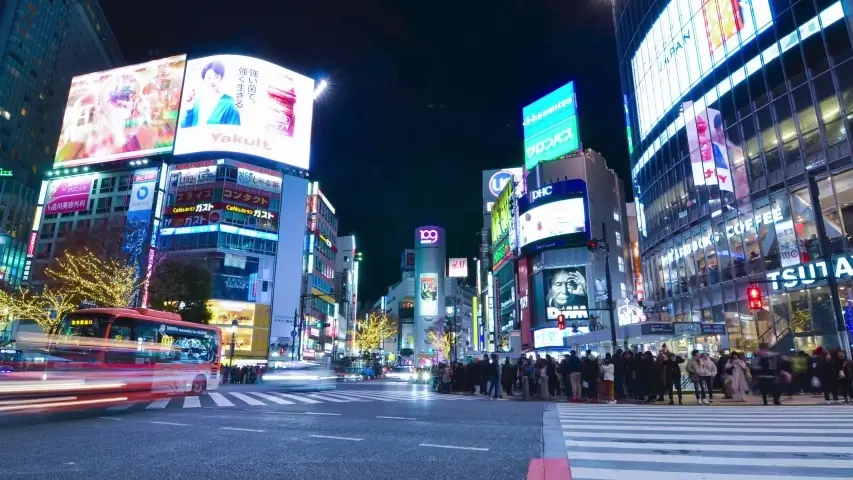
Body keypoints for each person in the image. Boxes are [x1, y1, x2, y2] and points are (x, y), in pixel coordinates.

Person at [181, 60, 241, 128]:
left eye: (216, 77)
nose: (212, 81)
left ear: (221, 78)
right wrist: (189, 106)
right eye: (209, 78)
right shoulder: (197, 101)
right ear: (203, 79)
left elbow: (235, 130)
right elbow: (184, 127)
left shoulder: (229, 102)